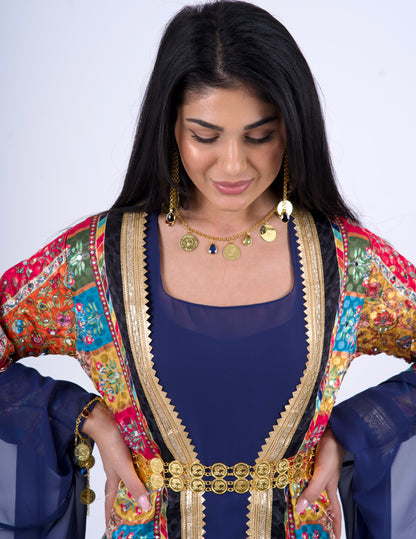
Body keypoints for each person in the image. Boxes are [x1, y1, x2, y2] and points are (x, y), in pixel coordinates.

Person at [1, 1, 415, 538]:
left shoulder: (347, 262)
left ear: (293, 129)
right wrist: (81, 415)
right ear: (171, 127)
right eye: (205, 135)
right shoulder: (95, 262)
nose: (233, 164)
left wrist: (353, 431)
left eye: (259, 135)